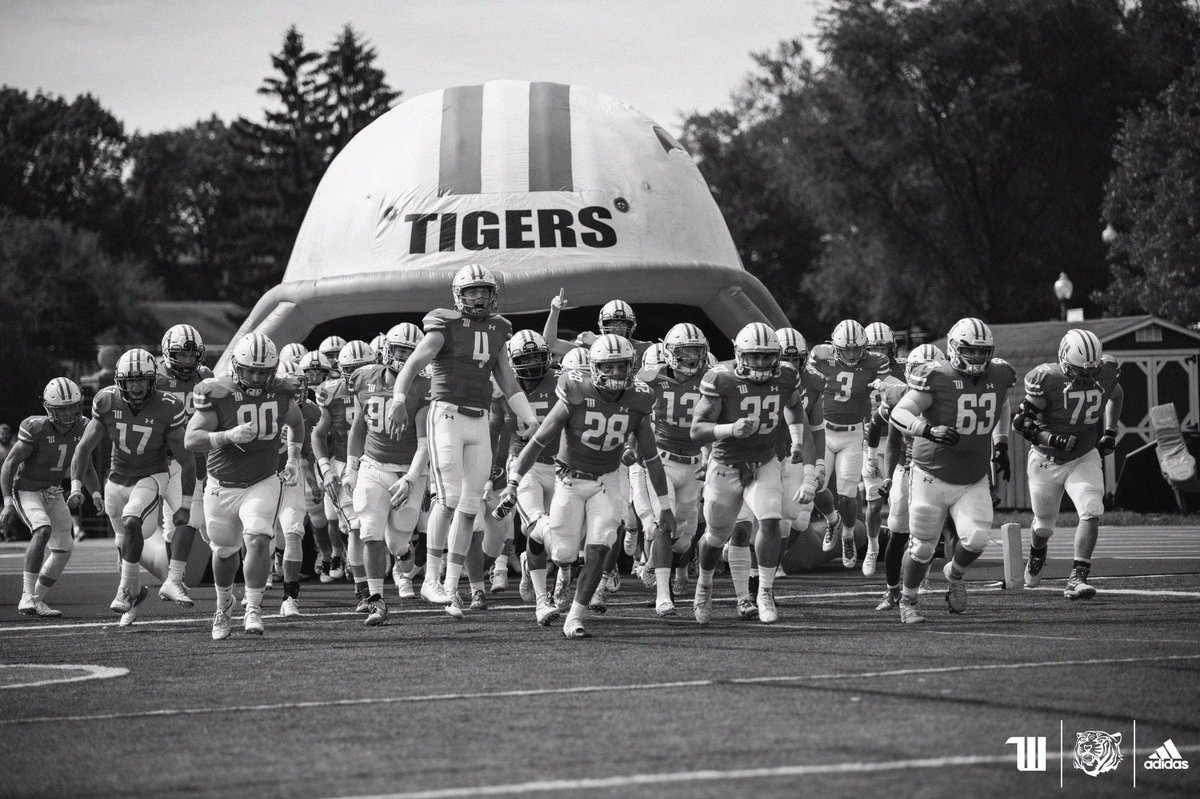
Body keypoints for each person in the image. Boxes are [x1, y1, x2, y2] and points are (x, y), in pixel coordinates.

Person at [387, 264, 540, 618]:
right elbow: (411, 365)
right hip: (448, 415)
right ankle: (431, 578)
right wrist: (398, 399)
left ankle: (452, 588)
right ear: (458, 295)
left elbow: (508, 380)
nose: (478, 297)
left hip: (479, 418)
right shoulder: (446, 325)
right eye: (471, 292)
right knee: (450, 498)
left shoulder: (499, 329)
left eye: (483, 291)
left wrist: (529, 417)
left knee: (470, 506)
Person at [499, 334, 675, 638]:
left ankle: (575, 617)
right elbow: (539, 441)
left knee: (600, 544)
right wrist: (513, 481)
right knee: (563, 555)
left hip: (606, 482)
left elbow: (653, 459)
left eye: (623, 366)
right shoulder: (575, 392)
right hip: (569, 479)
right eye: (611, 366)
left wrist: (666, 506)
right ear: (594, 368)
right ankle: (539, 530)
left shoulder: (638, 401)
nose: (618, 373)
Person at [888, 318, 1014, 623]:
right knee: (922, 548)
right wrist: (928, 431)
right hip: (932, 473)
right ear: (954, 348)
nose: (977, 358)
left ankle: (954, 575)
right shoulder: (938, 376)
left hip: (972, 475)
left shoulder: (999, 374)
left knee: (977, 538)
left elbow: (1003, 404)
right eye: (970, 350)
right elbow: (899, 413)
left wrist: (1001, 442)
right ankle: (908, 600)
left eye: (983, 352)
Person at [185, 332, 304, 640]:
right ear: (237, 366)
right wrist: (227, 436)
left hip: (262, 480)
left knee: (258, 538)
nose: (256, 376)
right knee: (224, 552)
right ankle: (224, 605)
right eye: (251, 369)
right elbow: (191, 439)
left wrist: (292, 458)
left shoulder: (280, 391)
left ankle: (253, 607)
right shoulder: (218, 392)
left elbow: (297, 421)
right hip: (221, 484)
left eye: (264, 371)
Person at [690, 323, 806, 625]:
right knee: (716, 537)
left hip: (764, 462)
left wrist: (797, 439)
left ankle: (764, 592)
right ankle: (705, 583)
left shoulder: (786, 376)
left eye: (767, 357)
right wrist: (730, 429)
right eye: (754, 357)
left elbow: (794, 406)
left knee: (770, 520)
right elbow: (696, 429)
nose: (761, 364)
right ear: (740, 355)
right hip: (725, 466)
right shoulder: (721, 380)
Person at [70, 349, 195, 626]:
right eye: (130, 381)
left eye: (142, 380)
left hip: (151, 475)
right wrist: (77, 487)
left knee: (133, 519)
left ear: (153, 380)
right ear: (119, 381)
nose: (136, 386)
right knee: (123, 547)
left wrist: (185, 503)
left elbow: (186, 460)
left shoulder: (168, 405)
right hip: (116, 479)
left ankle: (126, 590)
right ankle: (136, 593)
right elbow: (83, 448)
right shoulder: (106, 401)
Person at [1014, 329, 1124, 600]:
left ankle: (1078, 577)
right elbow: (1021, 423)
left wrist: (1109, 432)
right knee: (1043, 526)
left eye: (1091, 370)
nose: (1087, 376)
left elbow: (1116, 395)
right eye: (1080, 370)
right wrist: (1053, 438)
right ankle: (1037, 554)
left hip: (1083, 456)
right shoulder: (1047, 379)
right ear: (1064, 360)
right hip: (1045, 460)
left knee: (1091, 508)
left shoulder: (1106, 372)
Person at [345, 323, 431, 625]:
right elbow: (358, 427)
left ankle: (405, 554)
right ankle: (376, 600)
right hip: (373, 465)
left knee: (397, 543)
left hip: (409, 470)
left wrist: (411, 478)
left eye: (411, 352)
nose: (404, 356)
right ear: (386, 349)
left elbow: (425, 443)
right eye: (400, 350)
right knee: (369, 531)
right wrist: (351, 467)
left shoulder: (423, 386)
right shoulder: (364, 377)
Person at [627, 323, 711, 616]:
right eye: (684, 351)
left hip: (694, 463)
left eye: (696, 351)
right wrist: (631, 443)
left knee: (684, 539)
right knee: (663, 523)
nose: (690, 357)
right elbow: (633, 412)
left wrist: (713, 456)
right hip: (660, 460)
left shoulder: (712, 379)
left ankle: (652, 563)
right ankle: (664, 595)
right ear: (670, 353)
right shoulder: (650, 377)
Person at [1, 379, 100, 616]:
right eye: (62, 408)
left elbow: (85, 467)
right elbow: (9, 464)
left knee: (65, 548)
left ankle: (36, 599)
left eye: (72, 407)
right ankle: (26, 595)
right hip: (27, 489)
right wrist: (6, 502)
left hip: (54, 491)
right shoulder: (35, 427)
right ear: (49, 408)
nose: (68, 413)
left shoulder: (84, 426)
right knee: (42, 529)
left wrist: (96, 493)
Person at [866, 344, 945, 610]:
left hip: (937, 471)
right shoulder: (900, 397)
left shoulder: (952, 400)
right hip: (907, 468)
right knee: (899, 531)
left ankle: (953, 581)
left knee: (934, 531)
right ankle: (891, 591)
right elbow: (892, 440)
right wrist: (887, 476)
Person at [155, 323, 213, 606]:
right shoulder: (152, 377)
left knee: (188, 516)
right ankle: (160, 576)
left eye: (193, 355)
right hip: (156, 457)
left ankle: (174, 578)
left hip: (188, 458)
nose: (188, 361)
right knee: (164, 526)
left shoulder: (205, 377)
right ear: (167, 353)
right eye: (182, 355)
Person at [500, 330, 560, 602]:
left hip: (560, 466)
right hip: (525, 465)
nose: (534, 363)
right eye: (527, 357)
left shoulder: (562, 381)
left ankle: (529, 565)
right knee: (535, 523)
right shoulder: (503, 385)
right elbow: (493, 429)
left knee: (555, 531)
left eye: (538, 356)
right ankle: (540, 597)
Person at [316, 340, 375, 611]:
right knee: (355, 527)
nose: (358, 374)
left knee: (387, 529)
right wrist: (326, 469)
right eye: (352, 369)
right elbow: (317, 435)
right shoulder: (331, 393)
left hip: (379, 461)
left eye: (364, 367)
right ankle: (362, 589)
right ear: (341, 370)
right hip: (344, 463)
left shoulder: (384, 386)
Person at [273, 359, 322, 617]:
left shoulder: (310, 411)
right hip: (261, 477)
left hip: (291, 477)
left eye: (299, 383)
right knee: (259, 536)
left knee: (293, 532)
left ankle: (290, 597)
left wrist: (312, 480)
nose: (297, 389)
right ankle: (252, 593)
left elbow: (304, 452)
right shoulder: (262, 404)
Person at [860, 322, 906, 576]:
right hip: (873, 440)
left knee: (903, 501)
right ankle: (873, 547)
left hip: (901, 438)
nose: (879, 353)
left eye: (883, 348)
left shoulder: (904, 370)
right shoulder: (859, 371)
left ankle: (908, 547)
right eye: (873, 348)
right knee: (874, 502)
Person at [297, 350, 343, 580]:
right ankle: (325, 554)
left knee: (338, 513)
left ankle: (338, 554)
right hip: (308, 459)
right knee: (317, 517)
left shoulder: (335, 393)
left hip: (334, 456)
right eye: (310, 373)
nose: (315, 378)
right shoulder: (299, 399)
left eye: (320, 373)